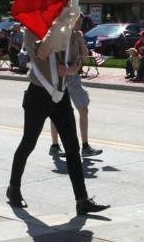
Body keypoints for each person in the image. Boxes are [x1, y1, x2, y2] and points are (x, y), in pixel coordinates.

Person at [6, 27, 109, 216]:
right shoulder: (33, 30)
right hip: (38, 94)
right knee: (28, 143)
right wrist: (55, 31)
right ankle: (13, 188)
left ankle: (82, 200)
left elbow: (77, 62)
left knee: (72, 147)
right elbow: (42, 55)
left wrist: (69, 69)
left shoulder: (67, 30)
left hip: (61, 94)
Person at [49, 15, 103, 158]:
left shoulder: (77, 36)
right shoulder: (60, 34)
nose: (79, 24)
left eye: (80, 22)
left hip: (74, 77)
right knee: (56, 113)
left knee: (83, 109)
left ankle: (85, 146)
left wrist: (80, 40)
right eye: (77, 21)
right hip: (59, 77)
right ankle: (55, 145)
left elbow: (85, 57)